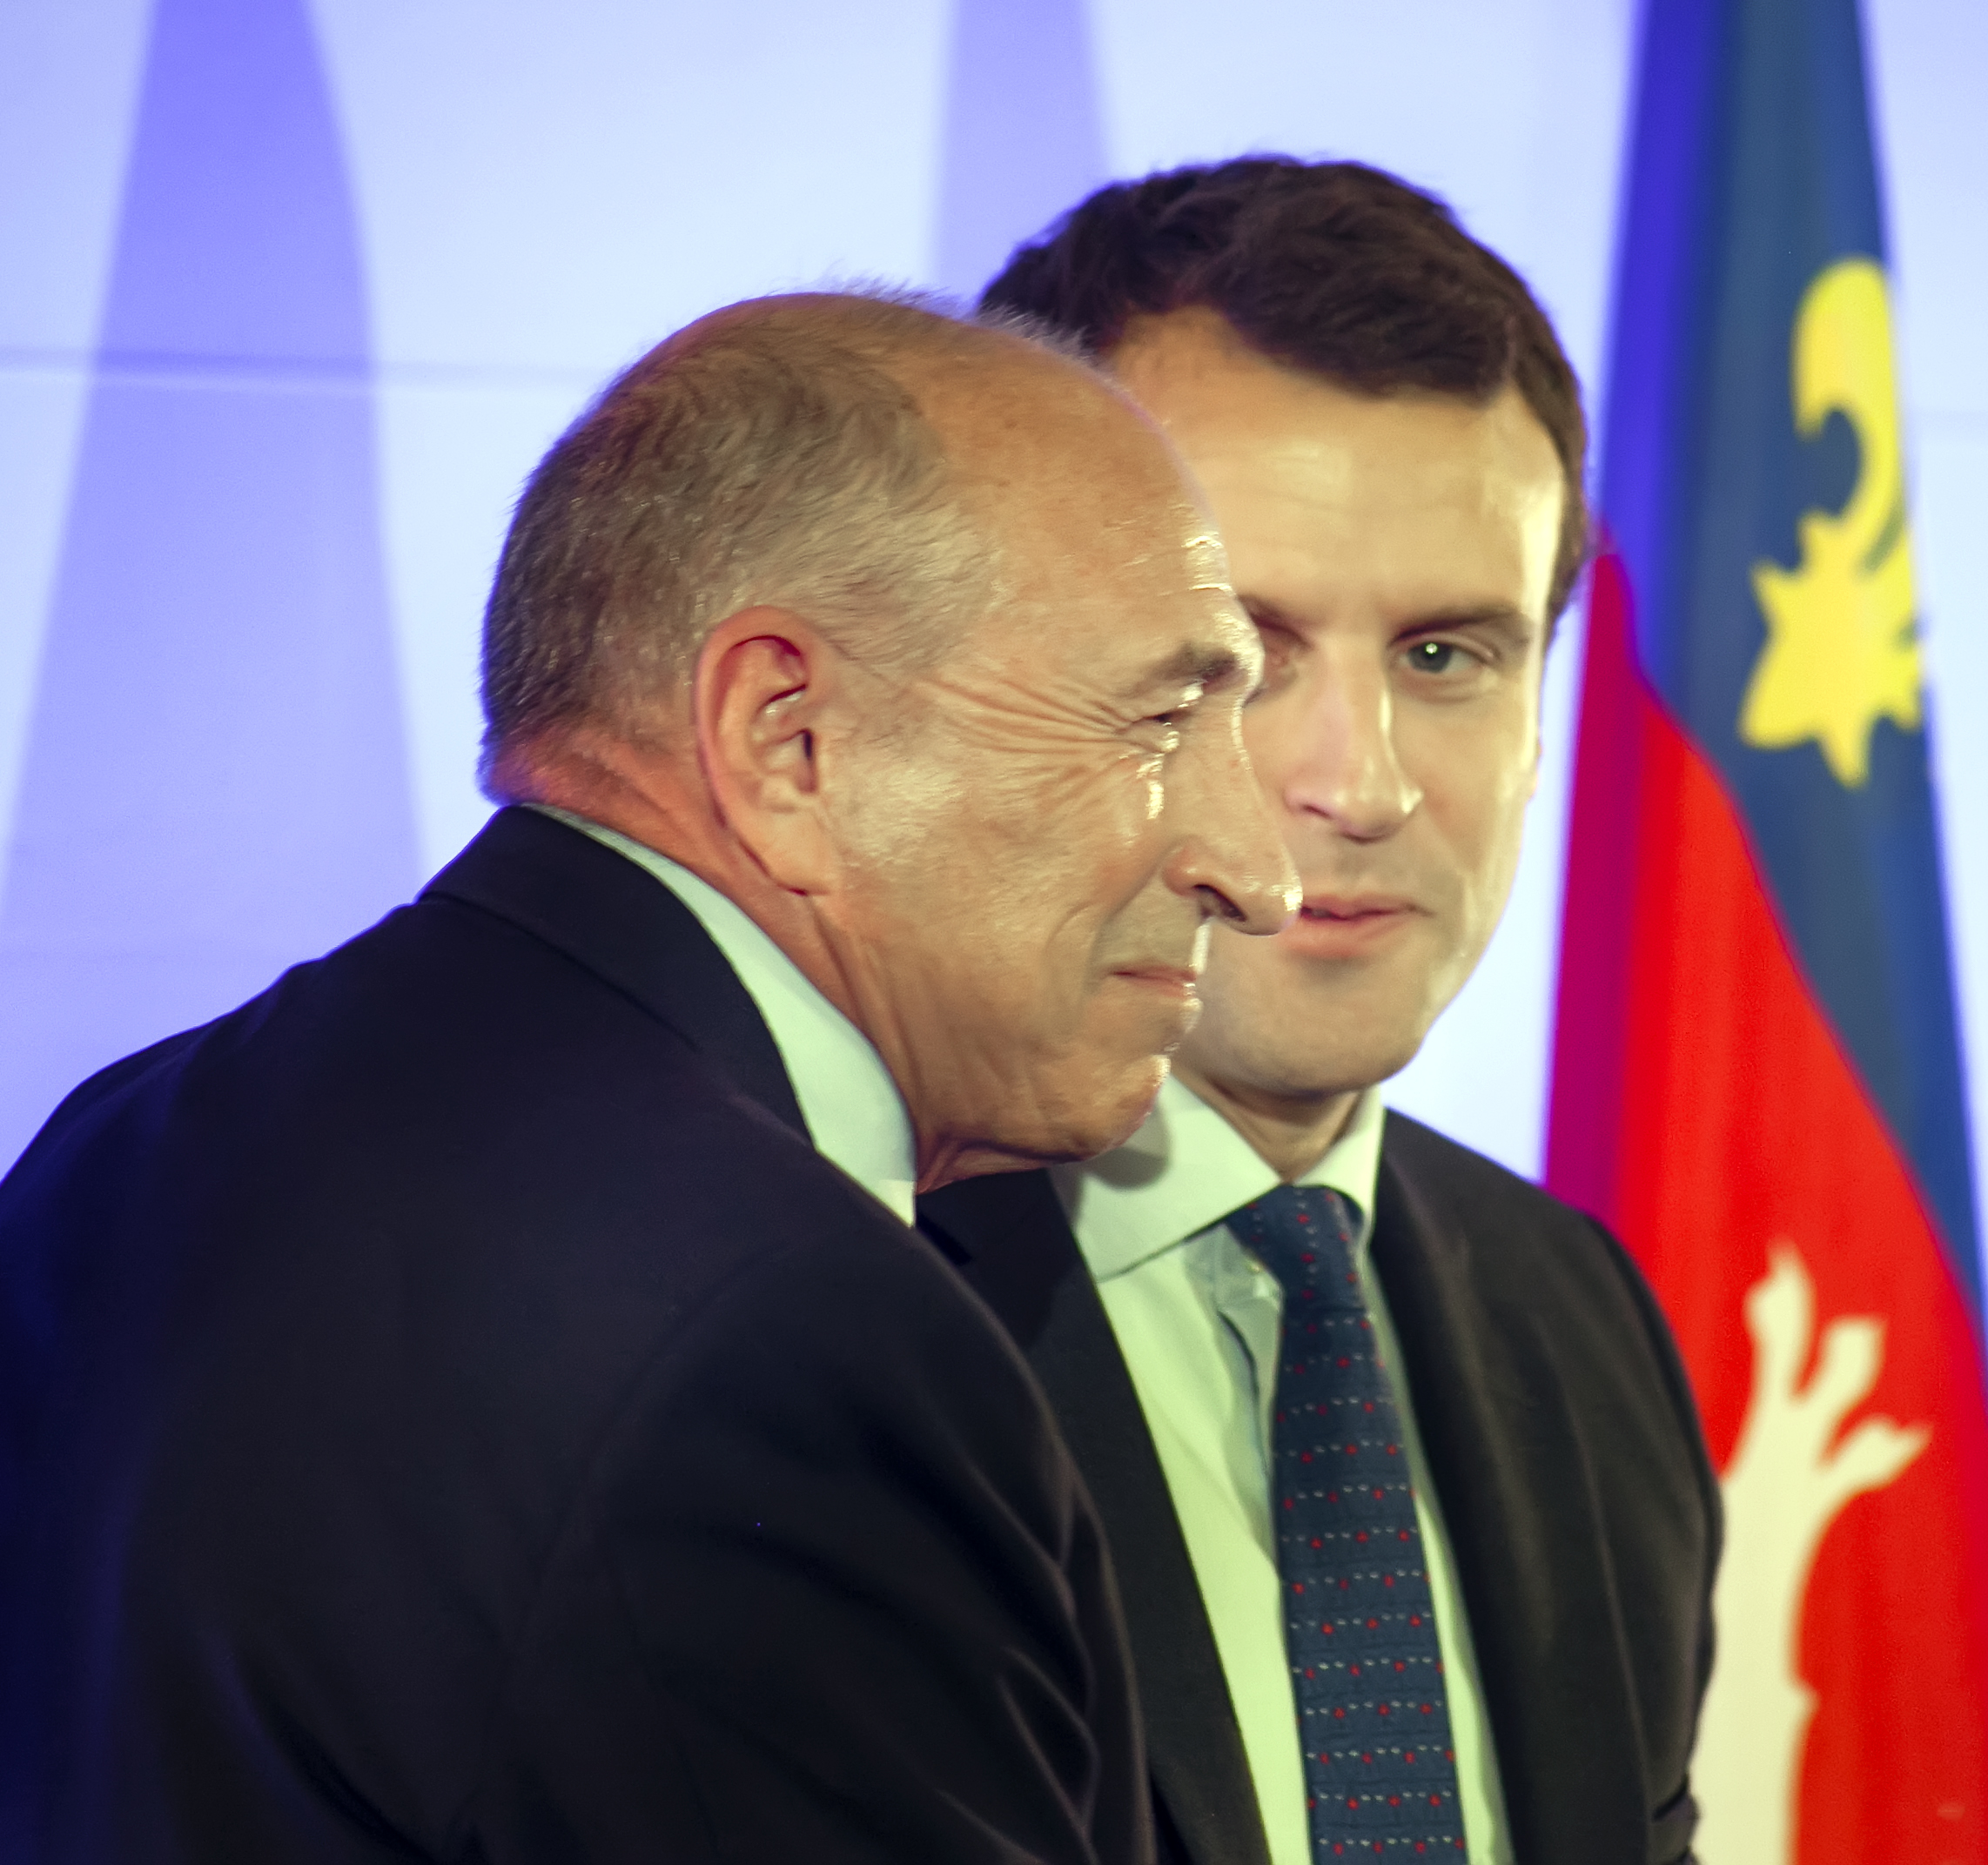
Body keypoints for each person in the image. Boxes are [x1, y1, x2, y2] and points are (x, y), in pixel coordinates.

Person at [0, 290, 1294, 1862]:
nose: (1256, 870)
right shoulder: (790, 1338)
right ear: (787, 739)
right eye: (1162, 718)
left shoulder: (135, 1127)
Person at [925, 160, 1719, 1865]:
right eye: (1243, 652)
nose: (1354, 785)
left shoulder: (1578, 1323)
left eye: (1449, 657)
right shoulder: (800, 1296)